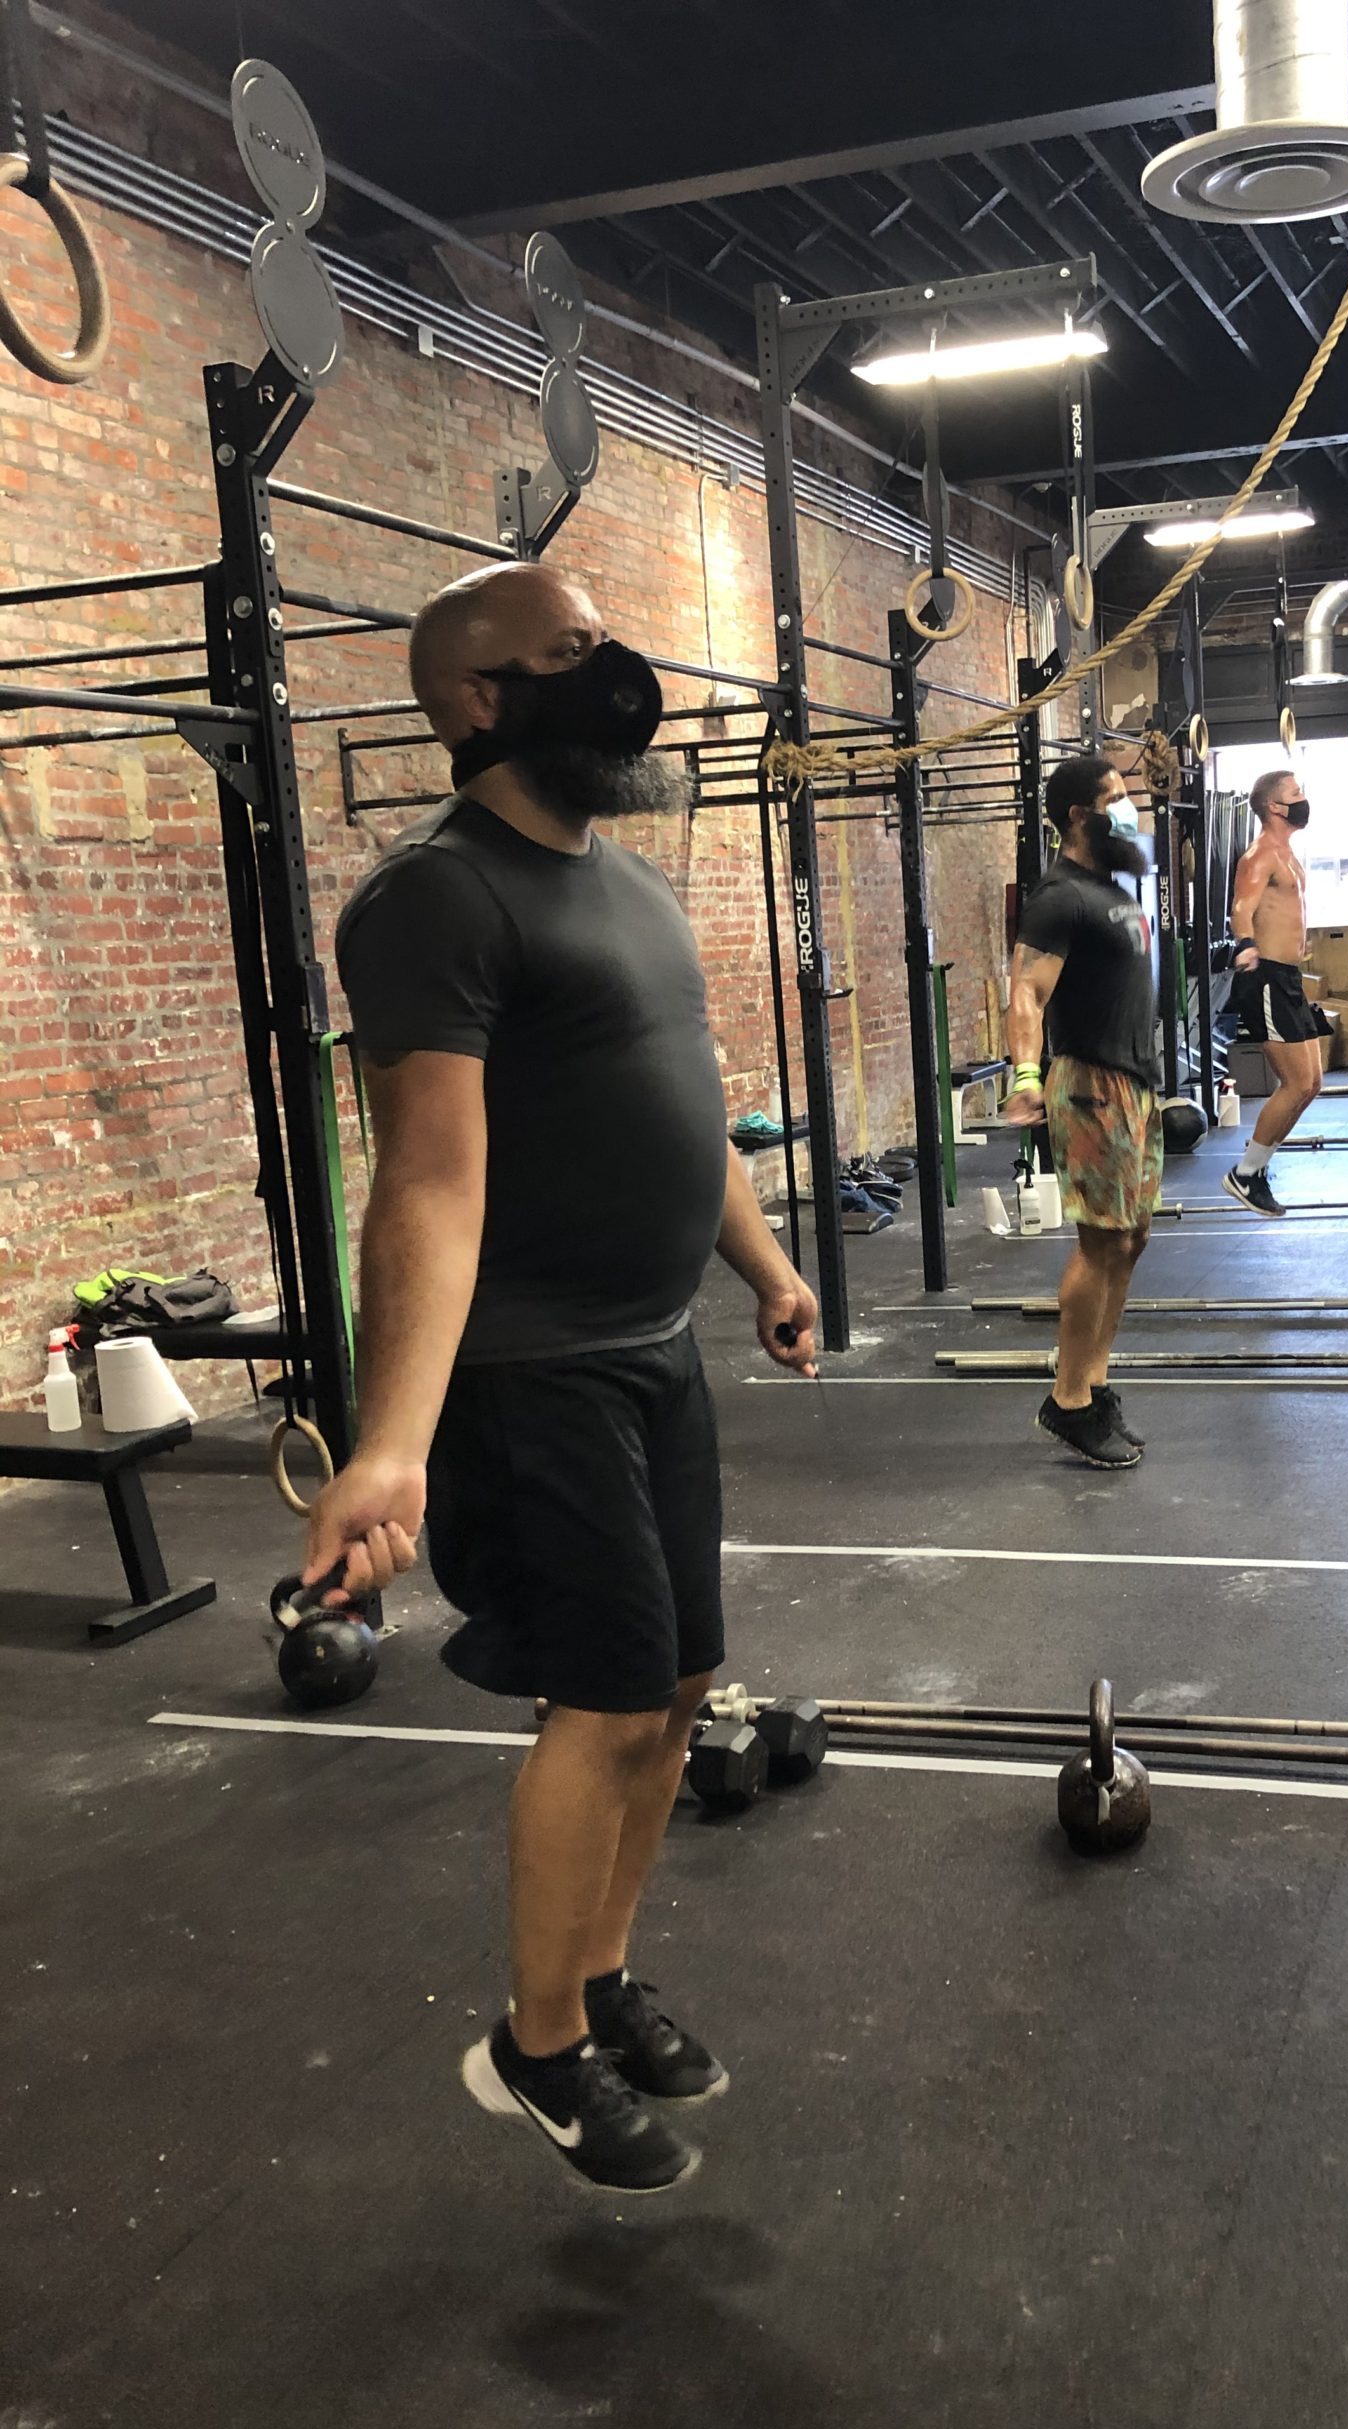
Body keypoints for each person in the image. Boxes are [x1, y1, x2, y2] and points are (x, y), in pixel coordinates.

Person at [302, 560, 819, 2198]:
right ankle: (535, 2046)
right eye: (574, 652)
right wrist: (392, 1442)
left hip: (655, 1351)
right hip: (534, 1374)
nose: (617, 675)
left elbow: (689, 1109)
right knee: (600, 1702)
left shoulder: (631, 887)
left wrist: (766, 1266)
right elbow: (425, 1182)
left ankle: (598, 1981)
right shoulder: (435, 901)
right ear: (479, 698)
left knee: (677, 1689)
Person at [1004, 754, 1159, 1471]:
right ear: (1078, 815)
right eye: (1116, 797)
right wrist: (1025, 1075)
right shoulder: (1058, 896)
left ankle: (1094, 1385)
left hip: (1134, 1083)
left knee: (1131, 1240)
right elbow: (1026, 994)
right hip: (1090, 1083)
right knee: (1101, 1244)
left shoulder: (1111, 887)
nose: (1129, 808)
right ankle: (1067, 1401)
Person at [1223, 769, 1322, 1216]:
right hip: (1264, 976)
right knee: (1295, 1082)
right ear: (1275, 807)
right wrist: (1246, 945)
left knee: (1312, 1084)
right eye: (1295, 793)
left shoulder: (1289, 855)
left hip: (1288, 977)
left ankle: (1258, 1167)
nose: (1303, 799)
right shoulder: (1260, 854)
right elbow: (1241, 908)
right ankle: (1245, 1173)